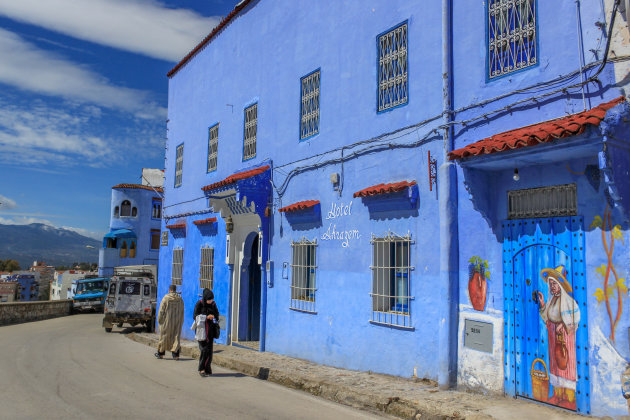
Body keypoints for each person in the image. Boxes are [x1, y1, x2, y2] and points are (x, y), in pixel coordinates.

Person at [536, 265, 580, 410]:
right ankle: (557, 394)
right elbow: (547, 317)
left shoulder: (567, 301)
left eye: (555, 283)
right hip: (553, 335)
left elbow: (575, 317)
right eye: (551, 283)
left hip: (565, 338)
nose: (552, 286)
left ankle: (569, 398)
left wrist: (564, 324)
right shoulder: (552, 300)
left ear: (560, 284)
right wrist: (543, 305)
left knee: (566, 365)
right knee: (555, 365)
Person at [194, 288, 219, 377]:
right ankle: (201, 369)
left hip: (210, 331)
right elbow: (195, 316)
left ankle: (207, 368)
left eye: (211, 299)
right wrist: (206, 317)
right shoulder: (200, 304)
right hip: (201, 331)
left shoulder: (213, 304)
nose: (210, 301)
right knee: (204, 350)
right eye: (209, 299)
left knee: (209, 351)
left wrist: (213, 316)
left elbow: (217, 314)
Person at [155, 284, 185, 360]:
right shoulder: (180, 299)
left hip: (167, 322)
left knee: (164, 336)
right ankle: (176, 355)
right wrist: (181, 321)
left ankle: (161, 354)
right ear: (175, 290)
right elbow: (182, 311)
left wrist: (159, 320)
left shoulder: (166, 298)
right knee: (176, 337)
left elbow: (161, 310)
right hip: (177, 321)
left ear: (169, 290)